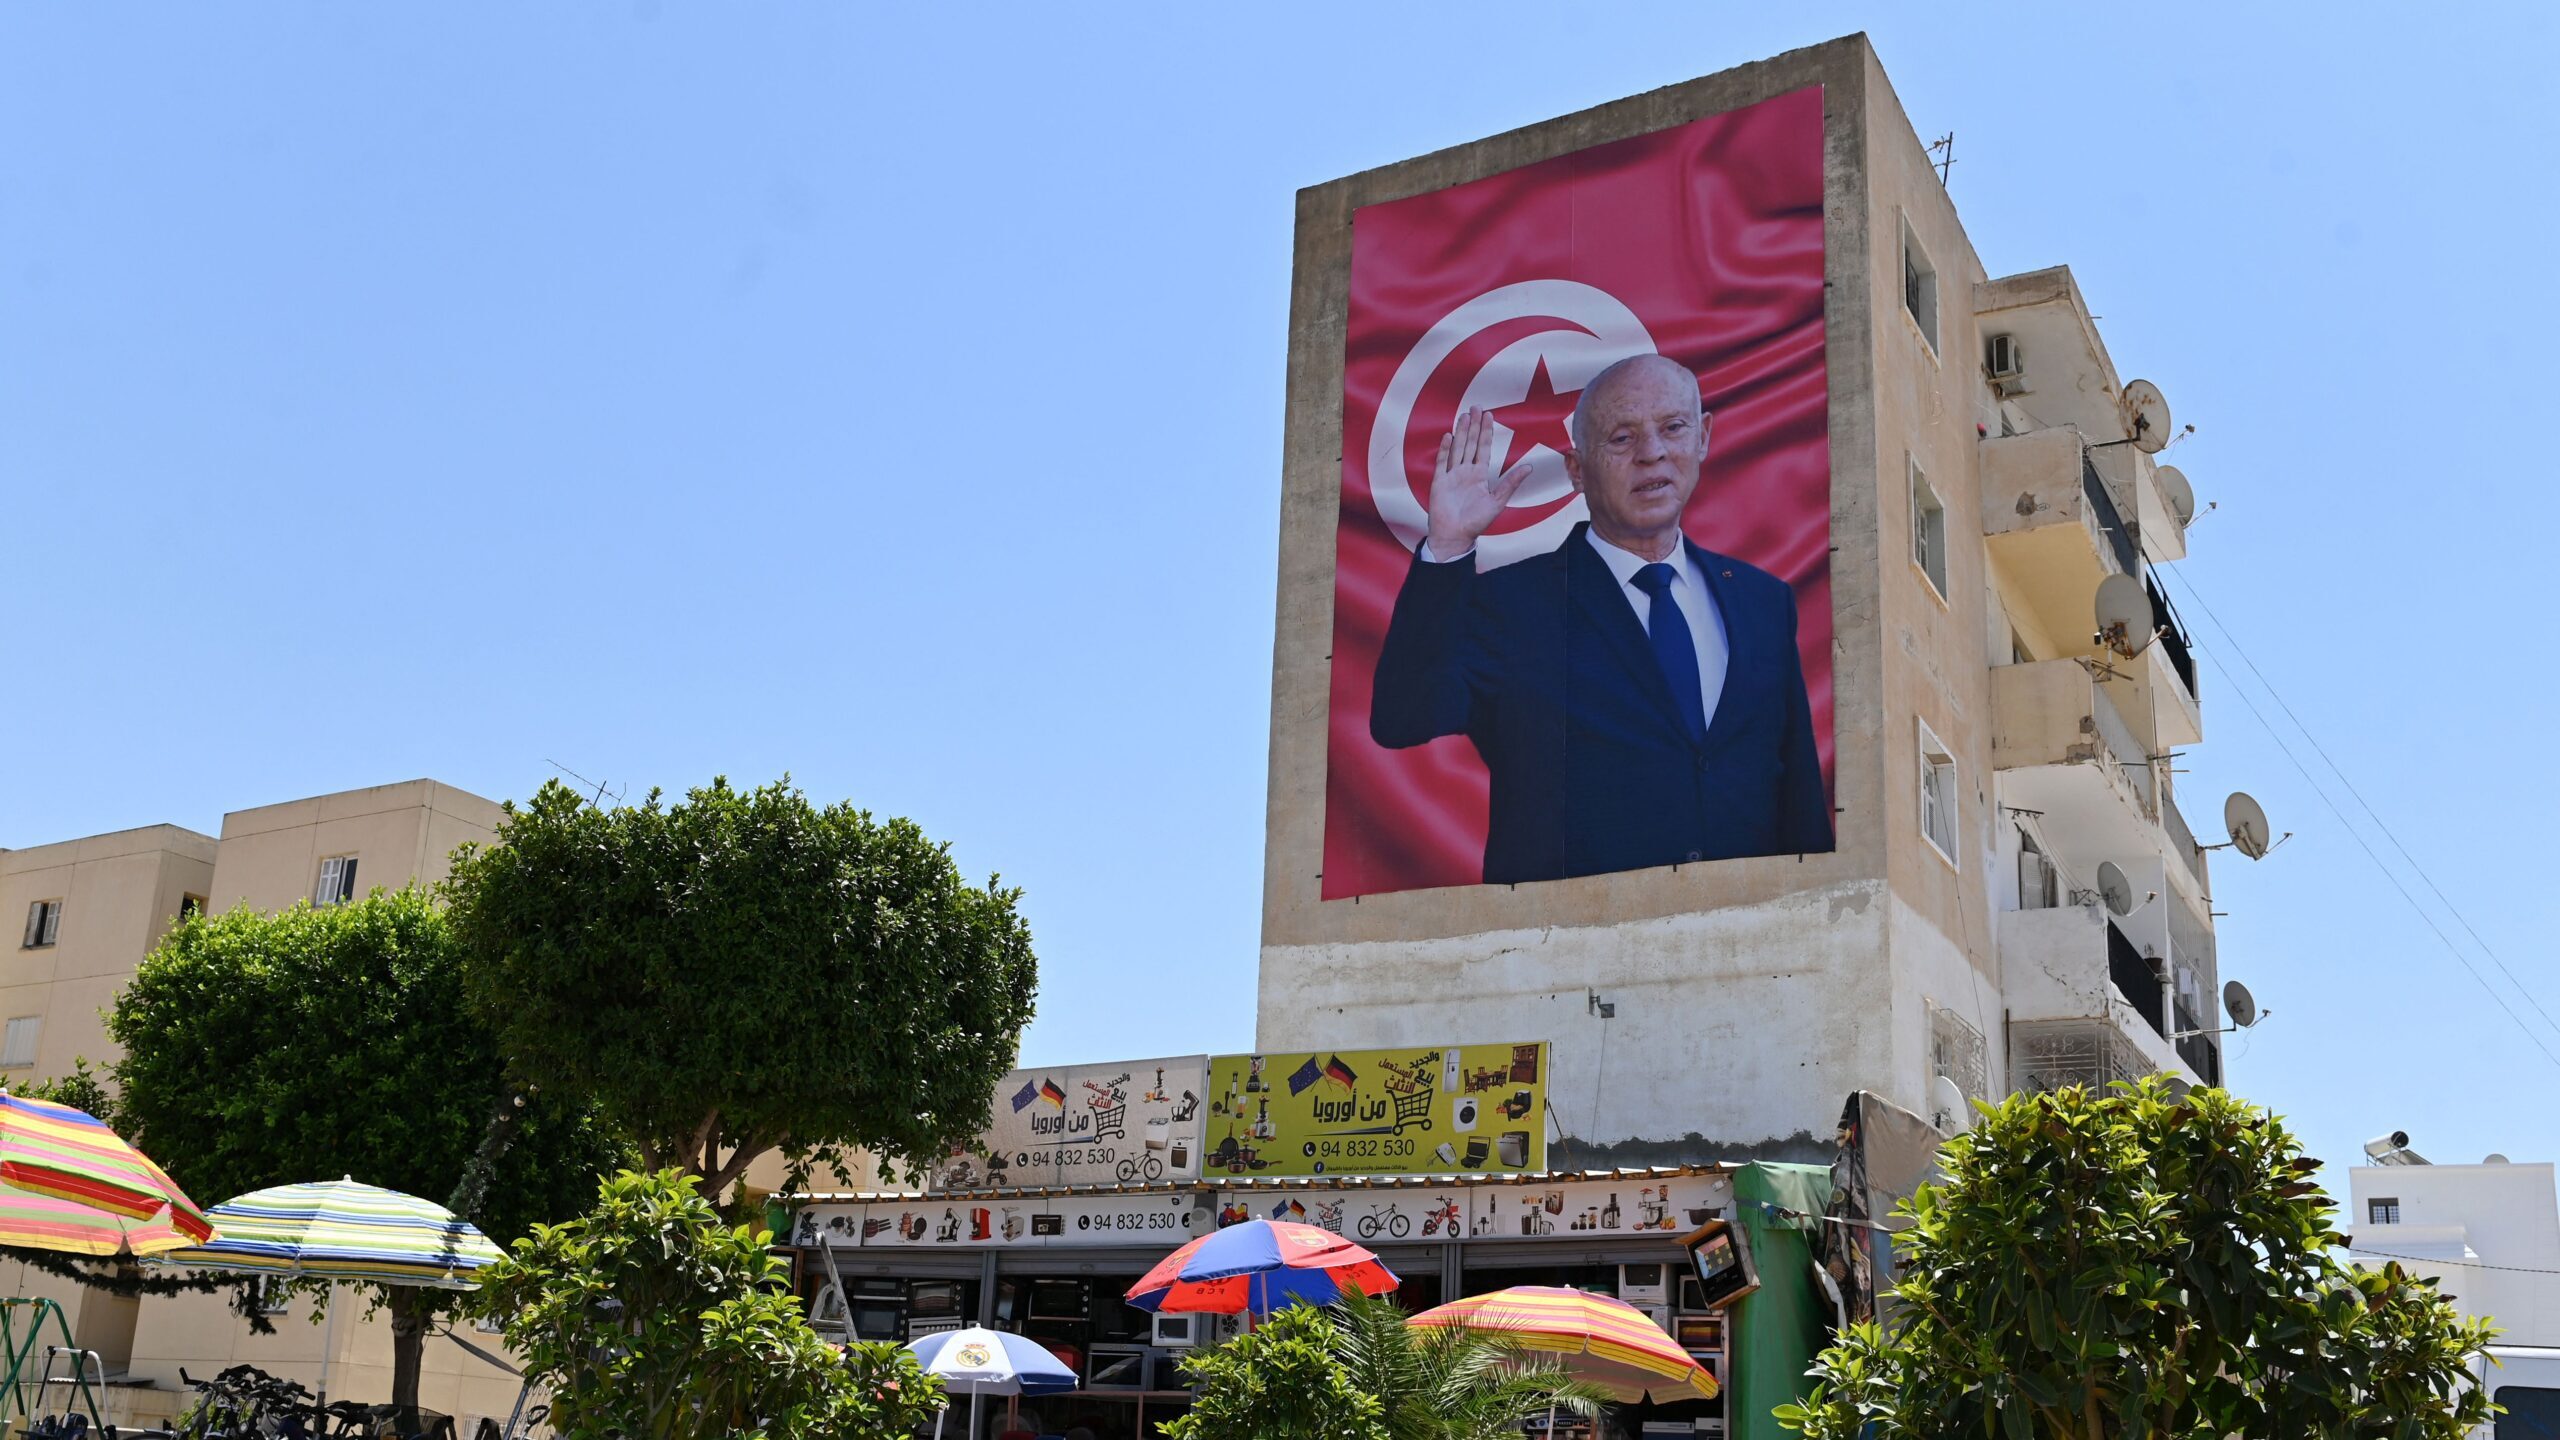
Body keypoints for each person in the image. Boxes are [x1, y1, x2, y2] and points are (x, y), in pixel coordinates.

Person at [1370, 353, 1832, 883]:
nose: (1652, 453)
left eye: (1673, 428)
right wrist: (1449, 546)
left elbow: (1797, 793)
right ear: (1576, 470)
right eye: (1621, 438)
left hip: (1751, 942)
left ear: (1703, 436)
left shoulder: (1763, 601)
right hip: (1571, 948)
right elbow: (1404, 718)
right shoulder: (1511, 603)